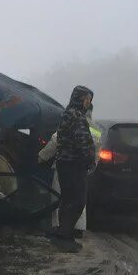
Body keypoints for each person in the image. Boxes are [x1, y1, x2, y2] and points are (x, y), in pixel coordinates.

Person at [49, 85, 95, 250]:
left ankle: (62, 233)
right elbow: (82, 142)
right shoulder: (77, 116)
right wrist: (90, 160)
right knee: (77, 201)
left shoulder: (67, 114)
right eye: (86, 99)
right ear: (79, 99)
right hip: (75, 164)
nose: (88, 103)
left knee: (67, 200)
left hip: (65, 163)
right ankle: (64, 237)